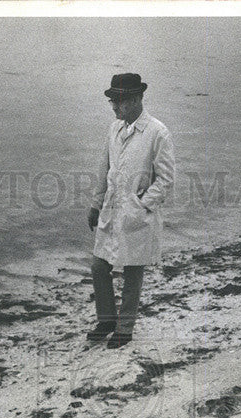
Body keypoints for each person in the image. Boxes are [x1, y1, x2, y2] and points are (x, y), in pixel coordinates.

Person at [87, 73, 175, 348]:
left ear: (136, 100)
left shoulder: (157, 132)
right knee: (99, 266)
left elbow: (166, 179)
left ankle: (125, 327)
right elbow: (104, 168)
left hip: (137, 213)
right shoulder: (114, 129)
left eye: (119, 101)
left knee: (133, 271)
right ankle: (107, 319)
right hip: (113, 209)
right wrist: (95, 202)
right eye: (113, 101)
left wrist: (142, 205)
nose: (114, 107)